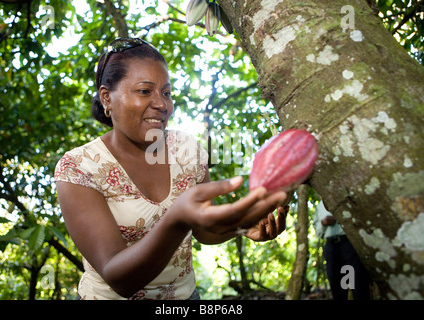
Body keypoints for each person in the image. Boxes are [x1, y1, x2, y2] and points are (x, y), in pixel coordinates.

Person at [54, 37, 290, 300]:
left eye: (166, 93)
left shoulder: (187, 149)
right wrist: (176, 220)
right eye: (145, 91)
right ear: (107, 98)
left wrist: (242, 227)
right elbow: (119, 278)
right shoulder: (79, 167)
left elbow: (203, 231)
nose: (162, 104)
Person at [313, 200, 371, 300]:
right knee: (336, 284)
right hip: (331, 246)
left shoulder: (344, 198)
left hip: (349, 243)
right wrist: (323, 222)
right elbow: (318, 232)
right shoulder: (320, 206)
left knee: (357, 283)